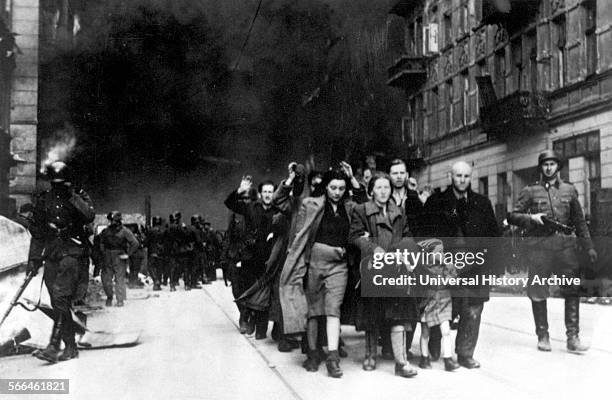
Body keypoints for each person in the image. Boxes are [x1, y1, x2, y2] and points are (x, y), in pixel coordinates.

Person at [508, 150, 597, 353]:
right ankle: (543, 335)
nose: (549, 167)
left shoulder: (569, 190)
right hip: (539, 249)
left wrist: (589, 246)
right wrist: (531, 218)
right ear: (541, 168)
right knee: (538, 291)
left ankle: (572, 338)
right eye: (545, 164)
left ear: (558, 166)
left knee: (572, 291)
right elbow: (513, 215)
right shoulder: (531, 191)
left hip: (565, 249)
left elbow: (579, 221)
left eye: (552, 164)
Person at [279, 163, 363, 378]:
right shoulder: (310, 204)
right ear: (326, 187)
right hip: (314, 263)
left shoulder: (350, 207)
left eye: (342, 188)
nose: (337, 192)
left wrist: (353, 179)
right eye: (333, 187)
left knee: (333, 309)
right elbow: (300, 235)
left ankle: (332, 358)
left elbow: (367, 205)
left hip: (340, 264)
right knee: (314, 311)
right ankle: (313, 354)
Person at [419, 161, 500, 368]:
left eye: (466, 176)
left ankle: (465, 353)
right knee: (441, 306)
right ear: (450, 177)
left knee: (473, 310)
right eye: (458, 176)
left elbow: (493, 236)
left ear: (470, 177)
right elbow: (424, 234)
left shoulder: (482, 203)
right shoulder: (436, 202)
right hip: (443, 267)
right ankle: (435, 345)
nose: (462, 180)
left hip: (475, 266)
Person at [350, 172, 419, 378]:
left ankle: (401, 362)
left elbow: (407, 236)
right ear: (371, 190)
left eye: (386, 188)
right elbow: (354, 236)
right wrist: (372, 248)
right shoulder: (361, 210)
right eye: (378, 187)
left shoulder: (398, 211)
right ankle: (370, 355)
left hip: (396, 267)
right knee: (372, 313)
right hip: (373, 267)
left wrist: (408, 253)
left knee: (399, 313)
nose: (383, 191)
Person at [27, 161, 95, 363]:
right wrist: (34, 258)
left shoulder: (78, 197)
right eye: (55, 183)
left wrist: (72, 195)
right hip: (52, 253)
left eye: (61, 183)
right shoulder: (43, 200)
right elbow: (37, 232)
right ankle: (68, 346)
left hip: (72, 252)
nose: (58, 186)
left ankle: (56, 345)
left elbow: (89, 215)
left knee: (60, 297)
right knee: (57, 302)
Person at [225, 177, 278, 339]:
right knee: (248, 291)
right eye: (265, 192)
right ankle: (248, 317)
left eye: (271, 192)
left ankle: (261, 329)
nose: (268, 195)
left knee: (266, 294)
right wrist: (240, 190)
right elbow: (230, 203)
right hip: (250, 257)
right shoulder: (251, 208)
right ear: (260, 194)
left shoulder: (278, 210)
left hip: (269, 258)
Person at [416, 239, 460, 371]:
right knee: (425, 333)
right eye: (438, 252)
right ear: (430, 254)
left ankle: (448, 359)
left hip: (444, 302)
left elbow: (454, 280)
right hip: (428, 302)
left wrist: (451, 279)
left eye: (443, 251)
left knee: (446, 331)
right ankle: (424, 358)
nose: (442, 254)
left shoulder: (447, 266)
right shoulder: (424, 268)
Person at [99, 211, 139, 307]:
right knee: (106, 279)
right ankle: (109, 297)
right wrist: (103, 253)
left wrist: (128, 254)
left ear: (118, 221)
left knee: (119, 279)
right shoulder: (106, 231)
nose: (112, 223)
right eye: (111, 220)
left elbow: (135, 243)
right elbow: (101, 242)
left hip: (119, 256)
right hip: (107, 257)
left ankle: (120, 300)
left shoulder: (125, 231)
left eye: (114, 221)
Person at [146, 216, 169, 291]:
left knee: (151, 267)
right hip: (161, 251)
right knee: (160, 268)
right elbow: (167, 241)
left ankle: (156, 281)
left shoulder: (150, 230)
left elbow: (147, 241)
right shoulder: (164, 230)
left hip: (152, 251)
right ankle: (158, 283)